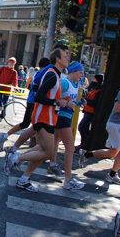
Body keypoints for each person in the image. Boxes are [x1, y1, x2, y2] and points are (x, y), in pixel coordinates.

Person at [4, 48, 70, 192]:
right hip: (43, 117)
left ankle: (24, 179)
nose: (68, 58)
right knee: (48, 153)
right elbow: (39, 96)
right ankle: (15, 159)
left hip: (49, 118)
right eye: (65, 56)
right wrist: (57, 103)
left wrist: (59, 101)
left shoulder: (56, 75)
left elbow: (47, 95)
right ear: (57, 59)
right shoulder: (52, 74)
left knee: (42, 150)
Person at [79, 68, 120, 185]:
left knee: (113, 152)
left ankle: (87, 154)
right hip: (117, 124)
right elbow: (116, 108)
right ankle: (112, 175)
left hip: (118, 124)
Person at [0, 57, 51, 151]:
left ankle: (36, 147)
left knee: (35, 125)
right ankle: (7, 138)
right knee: (29, 123)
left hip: (34, 101)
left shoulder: (38, 73)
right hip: (33, 101)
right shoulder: (40, 74)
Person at [54, 61, 86, 190]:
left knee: (50, 145)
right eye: (79, 73)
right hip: (62, 117)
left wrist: (81, 102)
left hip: (66, 117)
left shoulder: (74, 84)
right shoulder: (65, 83)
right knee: (70, 148)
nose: (81, 75)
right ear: (72, 72)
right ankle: (68, 179)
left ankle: (16, 157)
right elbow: (56, 97)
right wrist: (67, 104)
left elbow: (72, 101)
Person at [77, 74, 104, 147]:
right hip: (87, 110)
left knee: (81, 127)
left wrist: (86, 101)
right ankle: (83, 144)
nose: (92, 80)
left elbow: (94, 102)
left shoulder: (99, 91)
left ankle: (85, 143)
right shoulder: (93, 89)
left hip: (91, 112)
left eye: (94, 79)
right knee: (84, 128)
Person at [0, 57, 18, 121]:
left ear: (14, 64)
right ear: (8, 62)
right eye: (10, 62)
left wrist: (15, 87)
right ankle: (0, 105)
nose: (11, 63)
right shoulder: (3, 68)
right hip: (0, 85)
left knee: (5, 102)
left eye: (12, 63)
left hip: (7, 88)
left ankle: (2, 116)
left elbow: (15, 80)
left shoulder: (14, 72)